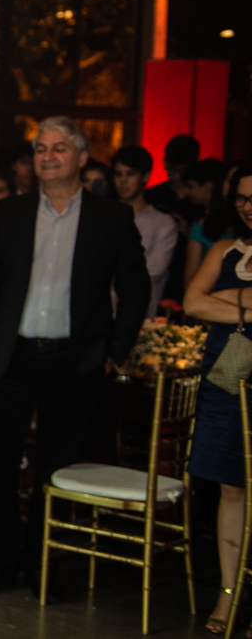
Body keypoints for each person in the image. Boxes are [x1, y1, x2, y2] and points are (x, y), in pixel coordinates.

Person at [0, 116, 149, 600]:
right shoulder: (11, 213)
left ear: (82, 157)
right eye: (40, 148)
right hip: (10, 359)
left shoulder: (112, 219)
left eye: (59, 148)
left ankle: (46, 564)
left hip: (76, 362)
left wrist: (113, 353)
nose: (47, 156)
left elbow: (135, 291)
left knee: (59, 469)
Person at [183, 163, 252, 634]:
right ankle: (229, 594)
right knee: (230, 486)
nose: (248, 207)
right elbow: (192, 303)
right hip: (229, 375)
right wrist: (248, 303)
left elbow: (212, 302)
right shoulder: (226, 248)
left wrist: (228, 299)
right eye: (243, 198)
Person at [112, 146, 178, 318]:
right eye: (118, 174)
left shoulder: (163, 222)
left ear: (145, 176)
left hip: (140, 317)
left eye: (130, 174)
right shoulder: (104, 218)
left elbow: (153, 270)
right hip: (100, 317)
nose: (123, 180)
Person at [147, 134, 202, 303]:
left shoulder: (200, 201)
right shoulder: (152, 196)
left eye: (182, 171)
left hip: (190, 271)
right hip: (155, 272)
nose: (177, 175)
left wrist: (188, 232)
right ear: (164, 163)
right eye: (172, 169)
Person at [183, 158, 233, 287]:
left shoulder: (201, 226)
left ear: (208, 187)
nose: (187, 192)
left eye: (190, 186)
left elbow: (190, 279)